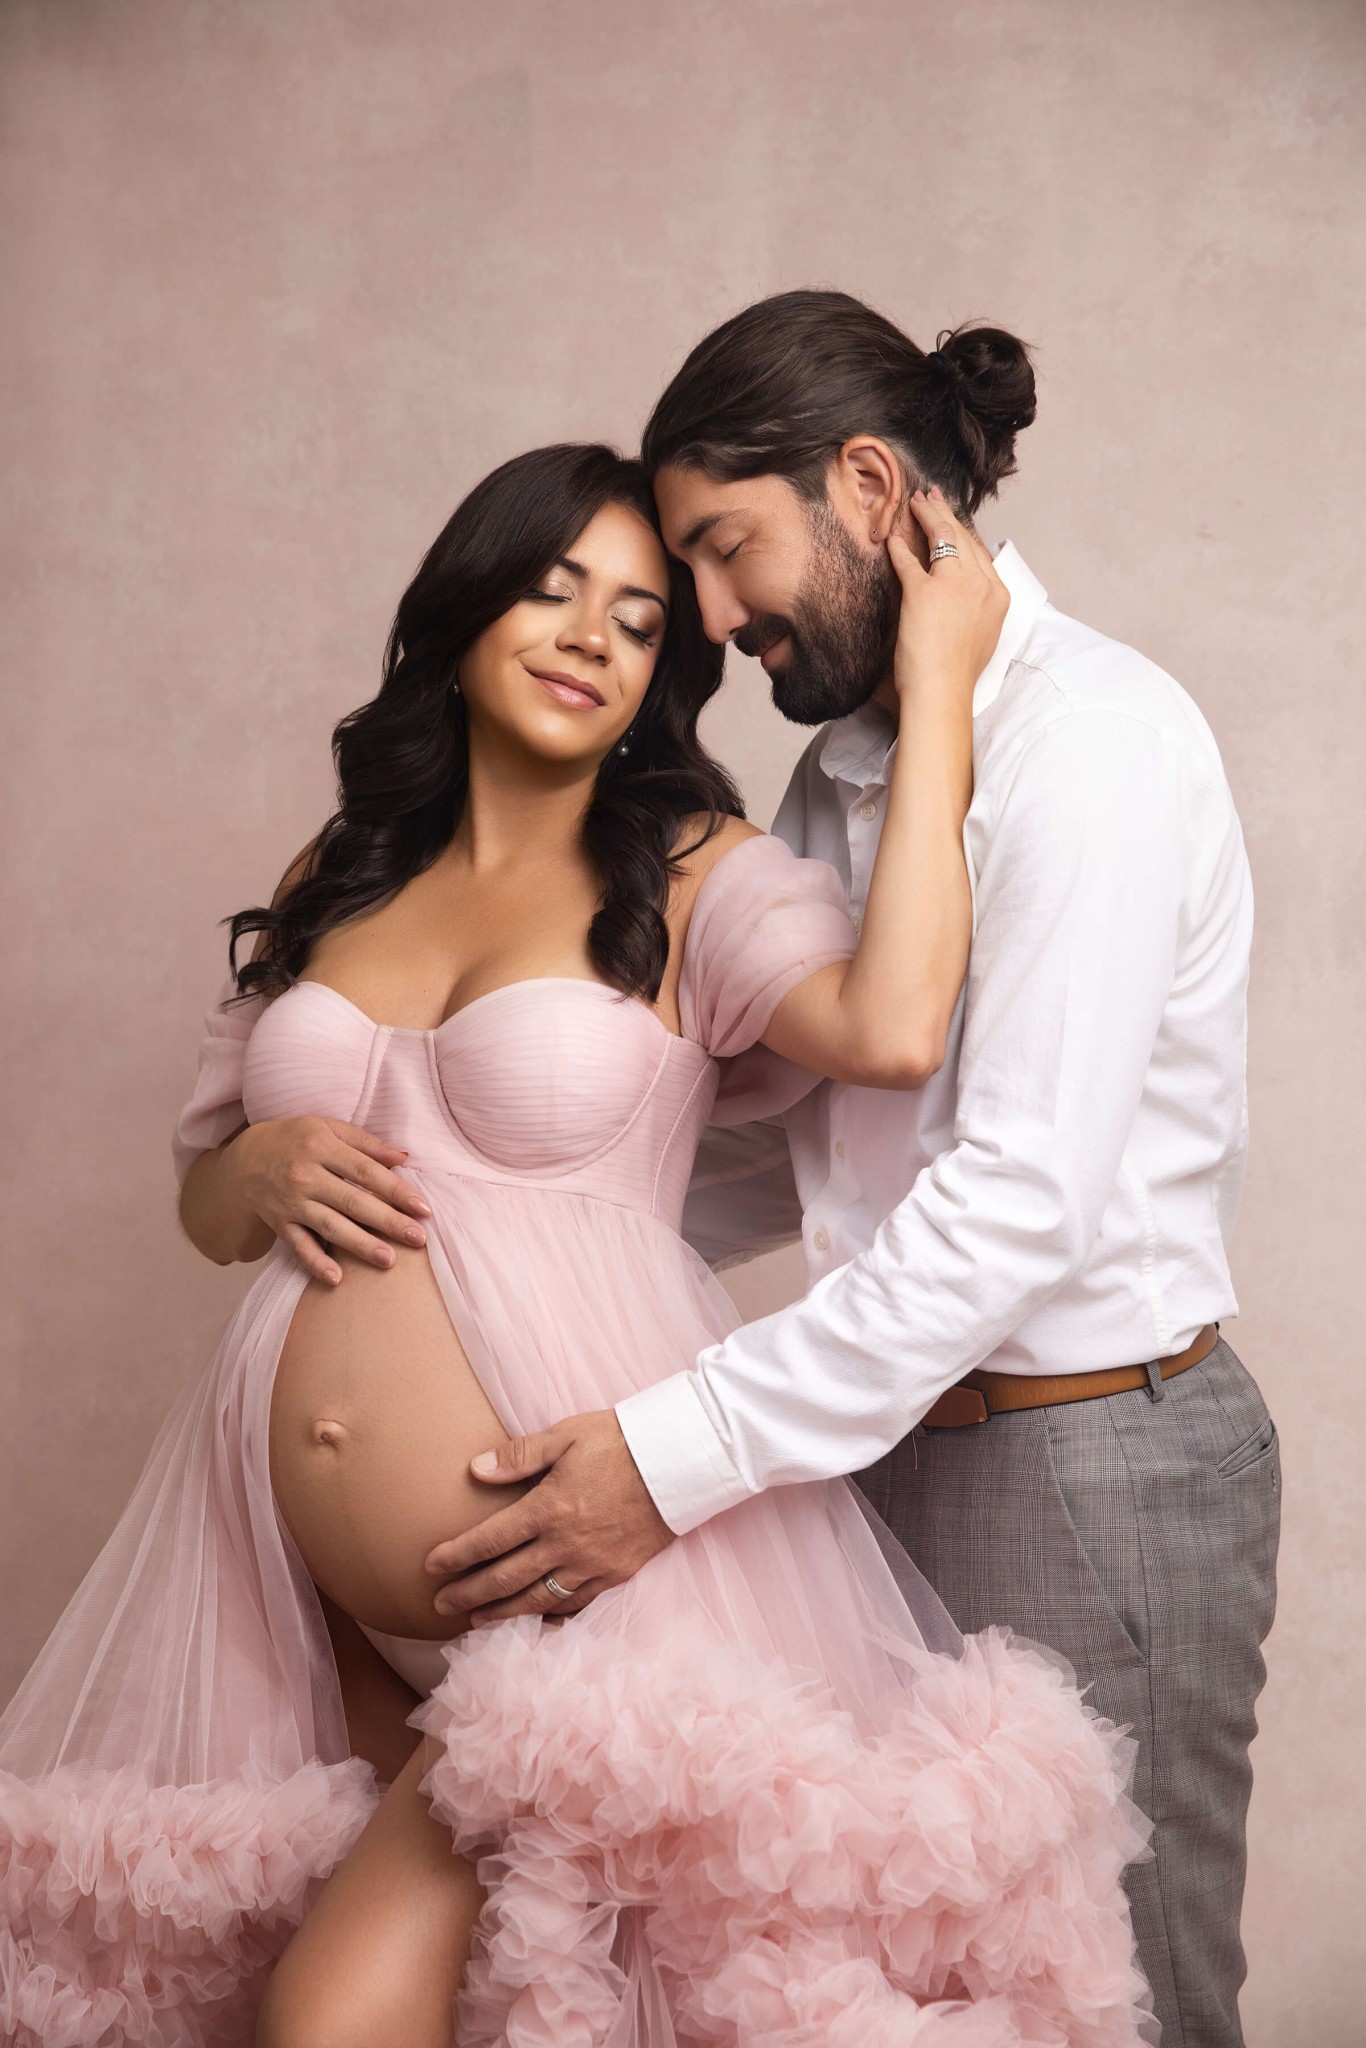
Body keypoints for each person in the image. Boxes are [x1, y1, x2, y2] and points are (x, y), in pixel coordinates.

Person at [0, 442, 1151, 2048]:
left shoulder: (692, 874)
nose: (589, 639)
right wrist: (254, 1166)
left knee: (332, 2018)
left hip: (586, 1581)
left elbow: (893, 1028)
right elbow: (204, 1206)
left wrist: (941, 689)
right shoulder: (341, 873)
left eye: (636, 619)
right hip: (293, 1591)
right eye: (551, 593)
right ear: (464, 613)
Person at [429, 297, 1281, 2048]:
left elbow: (1010, 1202)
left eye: (723, 550)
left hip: (1081, 1465)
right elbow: (800, 1151)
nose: (708, 618)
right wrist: (482, 1229)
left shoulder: (1092, 744)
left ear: (870, 488)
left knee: (1120, 2006)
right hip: (863, 1451)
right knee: (908, 1999)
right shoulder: (841, 771)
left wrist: (664, 1461)